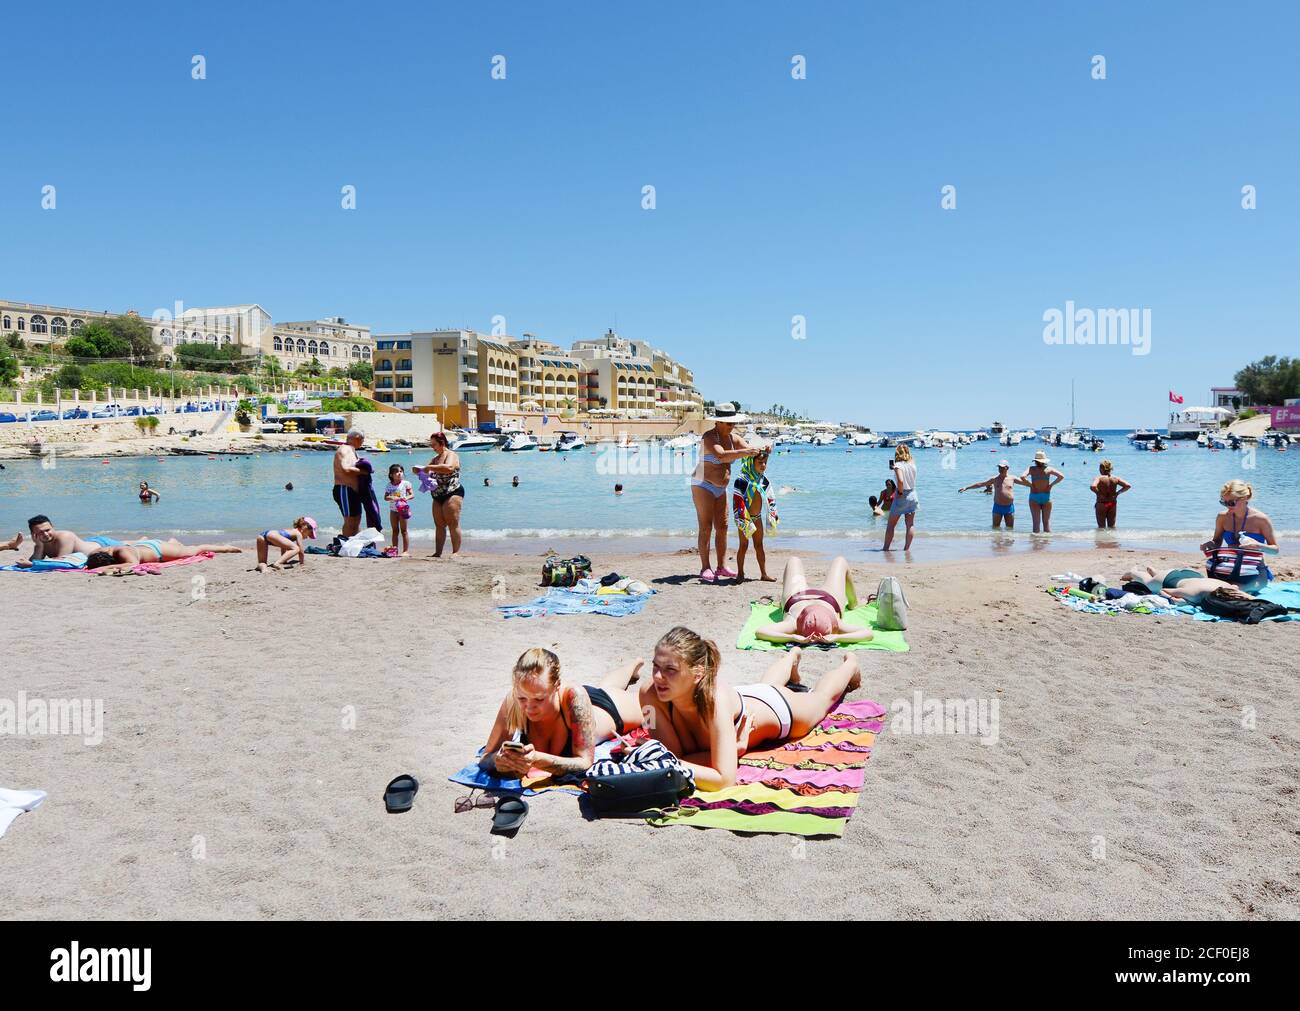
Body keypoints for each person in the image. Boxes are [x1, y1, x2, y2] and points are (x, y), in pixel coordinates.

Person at [635, 627, 861, 790]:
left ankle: (850, 665)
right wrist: (734, 749)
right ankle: (792, 656)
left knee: (821, 700)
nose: (658, 677)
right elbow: (673, 756)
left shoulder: (714, 700)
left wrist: (660, 760)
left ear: (698, 674)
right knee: (765, 685)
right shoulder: (648, 695)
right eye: (655, 666)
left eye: (670, 669)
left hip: (776, 709)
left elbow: (723, 780)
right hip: (746, 696)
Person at [480, 648, 645, 778]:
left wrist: (538, 760)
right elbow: (485, 757)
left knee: (644, 704)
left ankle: (635, 663)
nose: (529, 707)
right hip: (578, 705)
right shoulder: (513, 701)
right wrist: (497, 760)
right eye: (523, 698)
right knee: (606, 687)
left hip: (606, 709)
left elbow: (585, 762)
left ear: (557, 685)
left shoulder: (575, 697)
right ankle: (633, 666)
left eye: (539, 699)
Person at [691, 403, 759, 583]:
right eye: (729, 423)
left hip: (721, 489)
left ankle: (721, 566)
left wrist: (762, 451)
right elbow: (721, 455)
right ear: (719, 422)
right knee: (706, 527)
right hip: (703, 484)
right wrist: (746, 452)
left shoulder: (733, 438)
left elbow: (750, 451)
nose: (732, 426)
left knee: (723, 527)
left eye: (733, 423)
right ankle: (705, 567)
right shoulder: (709, 437)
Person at [755, 556, 874, 645]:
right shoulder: (838, 626)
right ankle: (854, 603)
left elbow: (761, 631)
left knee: (794, 560)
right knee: (840, 561)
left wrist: (792, 638)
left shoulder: (792, 624)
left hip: (797, 597)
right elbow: (868, 633)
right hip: (827, 599)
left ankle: (782, 604)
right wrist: (837, 638)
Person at [1199, 479, 1279, 592]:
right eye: (1223, 502)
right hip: (1227, 568)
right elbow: (1217, 541)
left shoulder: (1261, 519)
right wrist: (1210, 544)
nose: (1227, 506)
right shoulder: (1222, 517)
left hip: (1253, 572)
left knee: (1232, 590)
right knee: (1213, 590)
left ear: (1245, 498)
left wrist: (1258, 545)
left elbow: (1275, 550)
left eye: (1231, 503)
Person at [413, 431, 463, 557]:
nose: (432, 447)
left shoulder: (451, 455)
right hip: (437, 494)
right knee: (439, 524)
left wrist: (429, 467)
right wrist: (418, 470)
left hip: (452, 491)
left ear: (442, 443)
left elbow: (449, 467)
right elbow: (427, 470)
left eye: (434, 444)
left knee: (453, 523)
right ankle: (438, 552)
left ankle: (456, 552)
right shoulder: (434, 459)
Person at [733, 445, 778, 582]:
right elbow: (737, 501)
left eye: (765, 462)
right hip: (745, 518)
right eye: (759, 462)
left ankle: (763, 574)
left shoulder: (762, 479)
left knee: (759, 545)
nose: (763, 465)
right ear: (751, 462)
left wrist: (772, 515)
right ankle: (740, 573)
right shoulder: (742, 479)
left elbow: (770, 497)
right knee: (743, 546)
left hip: (757, 518)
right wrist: (744, 520)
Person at [86, 537, 243, 574]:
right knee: (176, 546)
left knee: (193, 550)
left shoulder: (122, 552)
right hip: (146, 547)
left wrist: (108, 567)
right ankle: (172, 541)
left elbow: (132, 564)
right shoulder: (98, 553)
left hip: (157, 551)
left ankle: (226, 548)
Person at [1122, 565, 1257, 606]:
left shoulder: (1229, 587)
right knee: (1148, 583)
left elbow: (1241, 593)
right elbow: (1165, 590)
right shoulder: (1194, 594)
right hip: (1168, 580)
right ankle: (1134, 571)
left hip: (1191, 574)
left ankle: (1156, 570)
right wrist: (1184, 603)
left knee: (1164, 573)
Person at [10, 516, 100, 567]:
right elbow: (34, 560)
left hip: (100, 546)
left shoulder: (65, 536)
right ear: (33, 534)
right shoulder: (41, 542)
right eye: (40, 532)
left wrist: (32, 564)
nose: (45, 534)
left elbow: (62, 561)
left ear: (53, 527)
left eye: (47, 530)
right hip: (86, 543)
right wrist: (39, 546)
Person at [959, 460, 1025, 529]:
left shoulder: (1012, 478)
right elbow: (981, 484)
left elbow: (1025, 483)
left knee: (1010, 529)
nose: (1000, 469)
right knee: (995, 528)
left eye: (1002, 467)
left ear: (1007, 468)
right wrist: (967, 487)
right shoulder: (994, 479)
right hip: (997, 507)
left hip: (1009, 507)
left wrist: (1035, 486)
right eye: (999, 467)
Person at [331, 430, 366, 538]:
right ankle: (346, 545)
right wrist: (364, 472)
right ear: (356, 437)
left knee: (356, 518)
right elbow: (345, 468)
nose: (363, 442)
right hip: (344, 489)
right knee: (350, 520)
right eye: (362, 439)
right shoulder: (345, 449)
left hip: (351, 491)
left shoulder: (351, 450)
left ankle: (354, 544)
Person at [882, 445, 917, 550]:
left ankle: (886, 548)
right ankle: (906, 549)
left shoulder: (897, 465)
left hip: (902, 495)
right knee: (910, 524)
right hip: (913, 494)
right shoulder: (912, 464)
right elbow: (907, 472)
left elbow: (901, 481)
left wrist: (900, 492)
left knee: (891, 525)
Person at [1022, 450, 1064, 533]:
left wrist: (1031, 485)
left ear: (1035, 461)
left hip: (1034, 496)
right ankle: (1046, 544)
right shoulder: (1049, 469)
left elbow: (1022, 477)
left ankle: (1036, 544)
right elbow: (1061, 476)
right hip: (1046, 496)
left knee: (1036, 523)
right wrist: (1051, 485)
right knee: (1046, 523)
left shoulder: (1031, 469)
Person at [1090, 460, 1131, 529]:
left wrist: (1099, 493)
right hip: (1112, 504)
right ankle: (1112, 539)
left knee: (1101, 527)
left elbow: (1093, 486)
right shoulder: (1115, 478)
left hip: (1102, 503)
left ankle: (1101, 539)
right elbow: (1128, 485)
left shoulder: (1099, 478)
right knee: (1112, 527)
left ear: (1102, 469)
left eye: (1100, 468)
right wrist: (1118, 493)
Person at [384, 464, 414, 556]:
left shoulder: (406, 483)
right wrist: (392, 497)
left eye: (401, 471)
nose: (399, 474)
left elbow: (412, 495)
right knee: (395, 530)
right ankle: (394, 550)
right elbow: (385, 497)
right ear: (391, 475)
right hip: (393, 510)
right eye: (396, 472)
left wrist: (406, 498)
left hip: (403, 510)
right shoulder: (389, 485)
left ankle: (405, 551)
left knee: (404, 530)